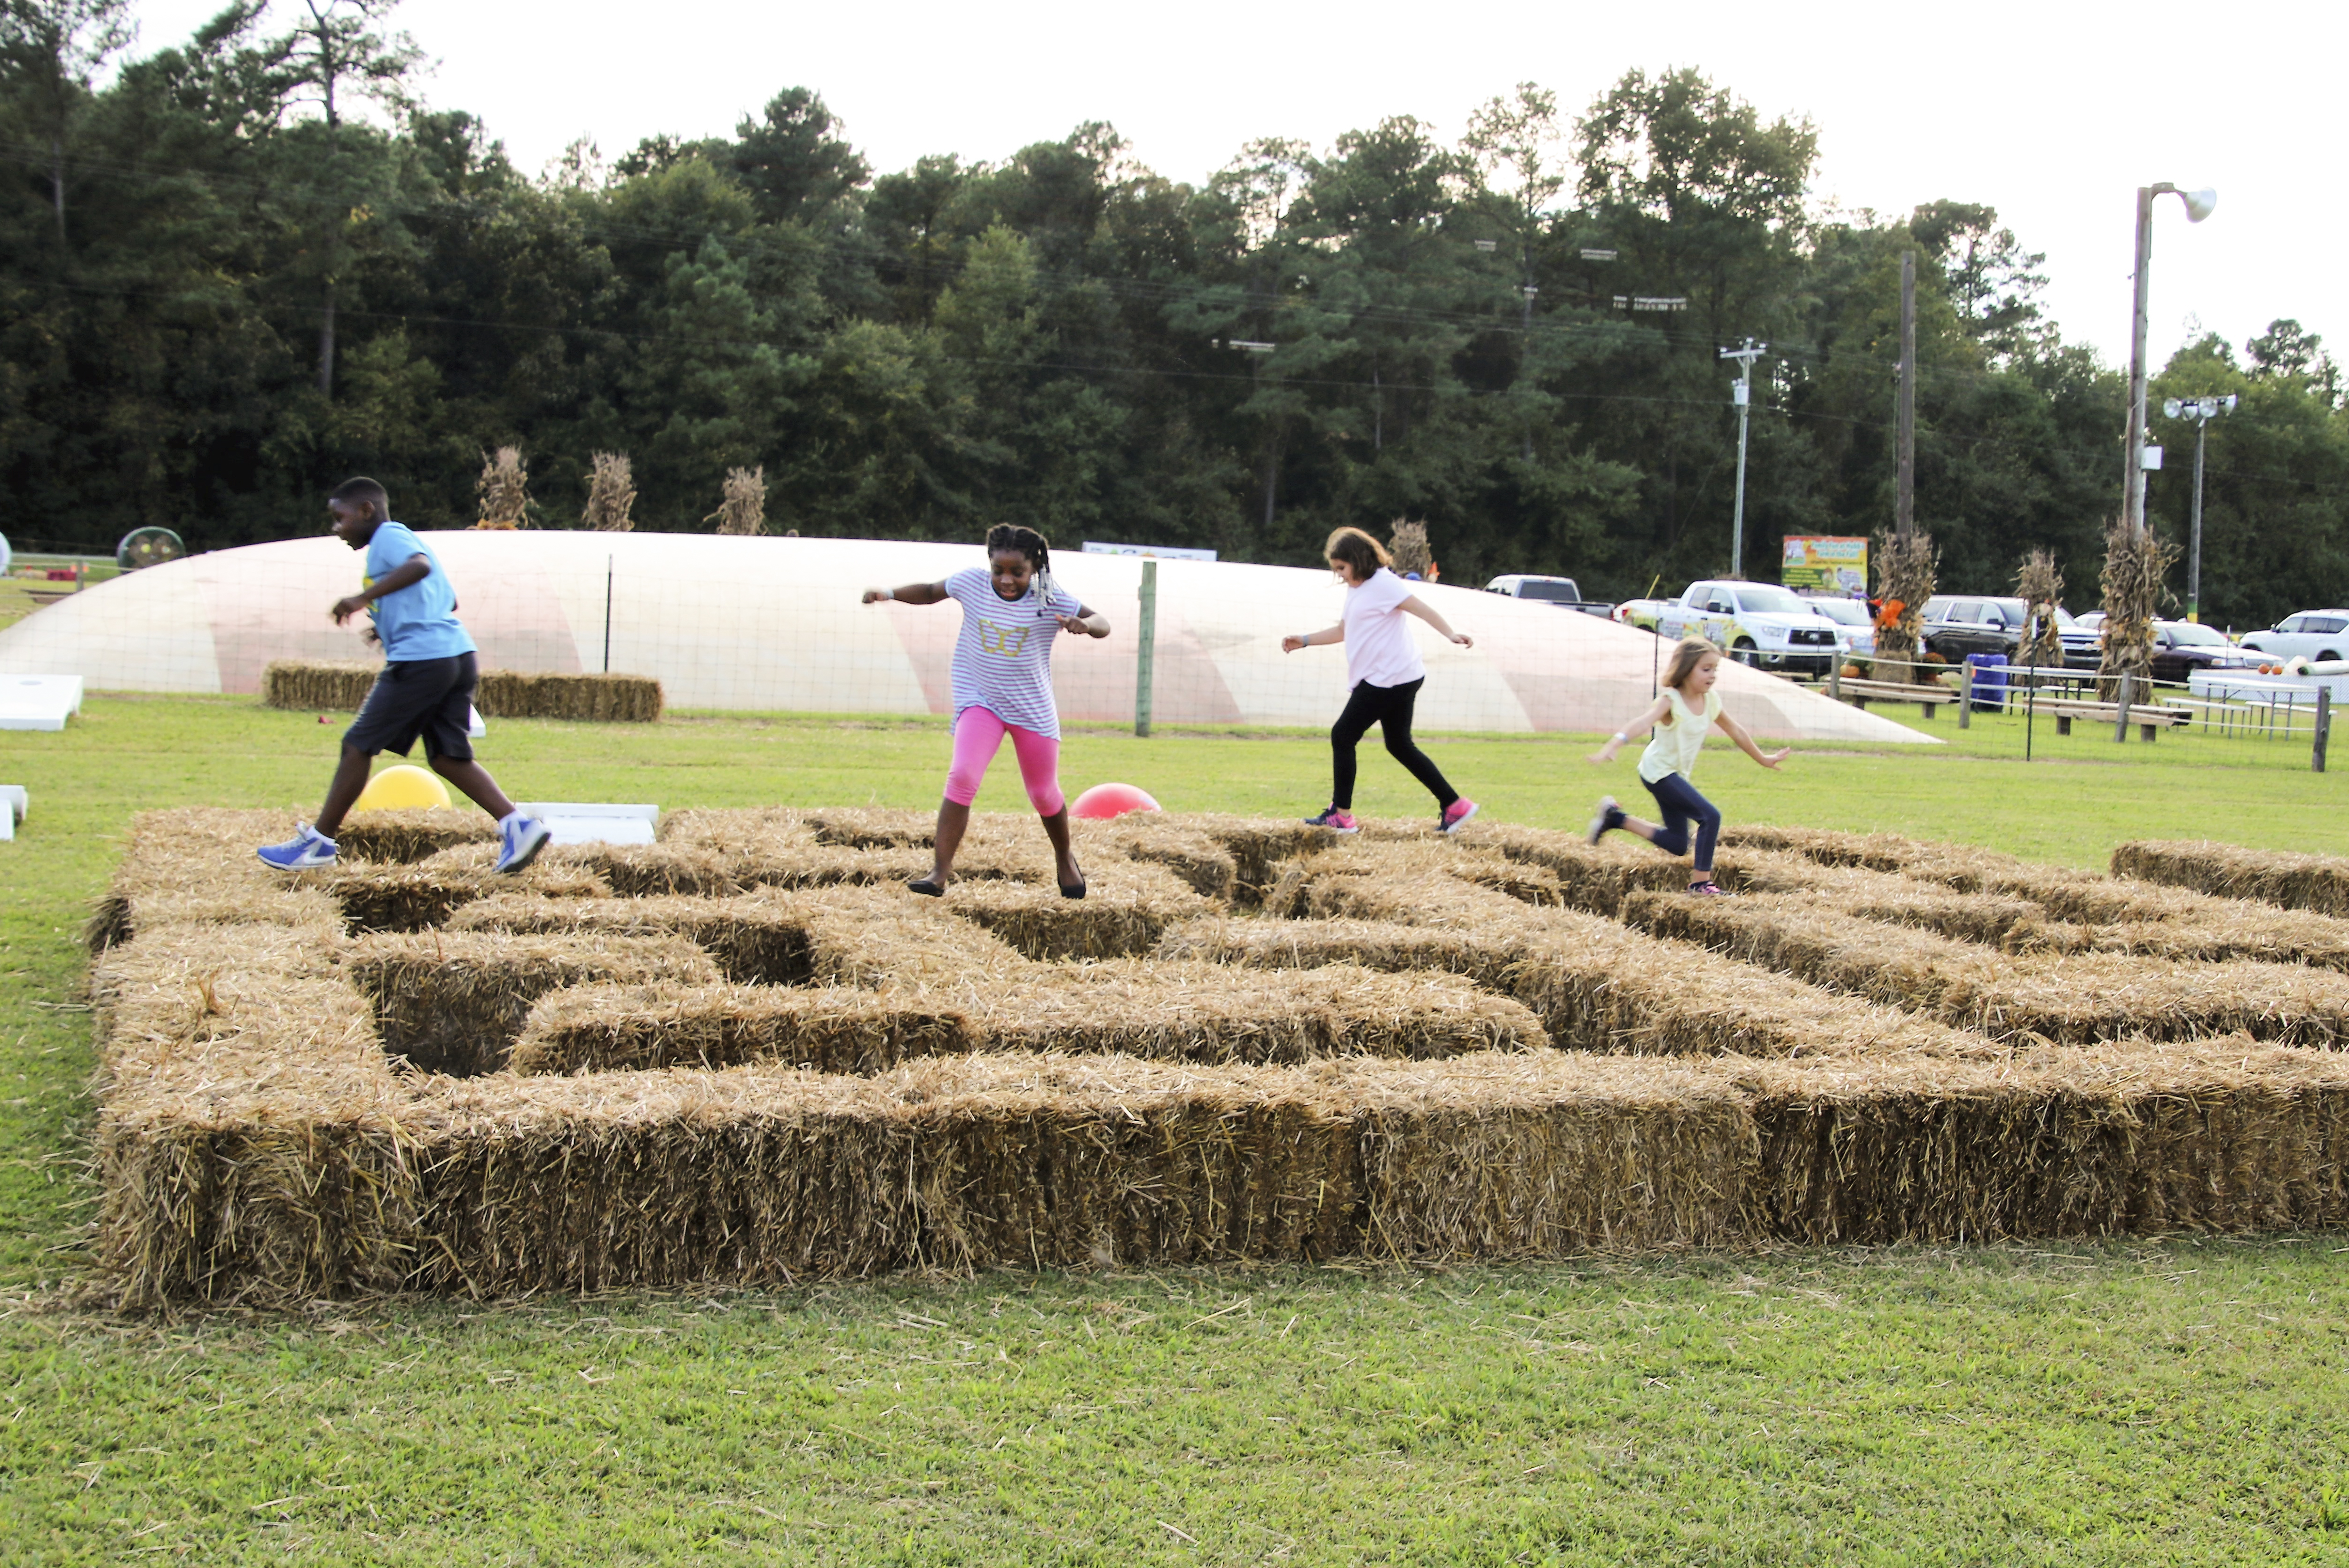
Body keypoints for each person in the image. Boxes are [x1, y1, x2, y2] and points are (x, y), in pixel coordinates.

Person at [258, 479, 549, 873]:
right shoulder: (404, 541)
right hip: (457, 655)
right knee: (447, 757)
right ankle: (519, 826)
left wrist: (364, 599)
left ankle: (319, 844)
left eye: (340, 518)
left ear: (366, 510)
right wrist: (389, 622)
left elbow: (420, 568)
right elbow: (447, 597)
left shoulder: (388, 537)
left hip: (423, 661)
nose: (336, 528)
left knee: (357, 744)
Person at [862, 524, 1110, 897]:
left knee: (1043, 793)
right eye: (999, 570)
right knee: (962, 775)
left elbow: (1103, 624)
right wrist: (890, 594)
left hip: (1031, 709)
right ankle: (938, 873)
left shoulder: (1049, 597)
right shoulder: (972, 584)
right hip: (981, 701)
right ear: (989, 565)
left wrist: (1084, 624)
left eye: (1017, 572)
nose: (1006, 579)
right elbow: (931, 591)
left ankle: (1064, 857)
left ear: (1035, 569)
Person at [1283, 525, 1478, 835]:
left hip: (1389, 678)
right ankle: (1455, 806)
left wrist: (1451, 634)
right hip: (1396, 676)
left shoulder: (1384, 584)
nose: (1340, 575)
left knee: (1343, 735)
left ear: (1358, 560)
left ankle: (1341, 816)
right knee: (1399, 744)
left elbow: (1422, 609)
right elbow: (1344, 631)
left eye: (1342, 568)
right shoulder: (1357, 588)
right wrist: (1304, 639)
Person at [1585, 636, 1789, 896]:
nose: (1712, 675)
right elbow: (1642, 722)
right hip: (1659, 772)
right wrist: (1614, 745)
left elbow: (1736, 731)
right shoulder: (1671, 700)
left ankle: (1615, 818)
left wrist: (1764, 759)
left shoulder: (1711, 701)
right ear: (1686, 669)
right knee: (1710, 816)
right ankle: (1700, 884)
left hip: (1675, 774)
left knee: (1678, 844)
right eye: (1706, 669)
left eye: (1715, 669)